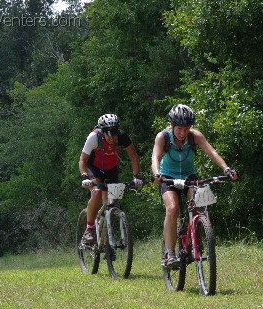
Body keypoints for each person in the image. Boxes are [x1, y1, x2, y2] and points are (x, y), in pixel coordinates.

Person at [151, 104, 238, 268]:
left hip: (189, 176)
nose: (183, 133)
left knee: (199, 205)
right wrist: (157, 174)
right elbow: (155, 157)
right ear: (172, 126)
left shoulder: (195, 136)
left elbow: (212, 153)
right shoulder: (163, 137)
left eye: (187, 128)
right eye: (179, 129)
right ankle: (169, 253)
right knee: (172, 208)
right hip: (168, 177)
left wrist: (226, 169)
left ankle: (194, 241)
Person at [79, 113, 142, 244]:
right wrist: (84, 176)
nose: (113, 138)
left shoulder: (122, 136)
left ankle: (106, 242)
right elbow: (83, 160)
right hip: (94, 167)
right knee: (96, 192)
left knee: (111, 204)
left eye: (115, 133)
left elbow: (134, 157)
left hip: (111, 169)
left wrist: (136, 176)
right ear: (102, 132)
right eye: (109, 134)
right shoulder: (94, 137)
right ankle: (89, 230)